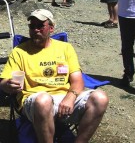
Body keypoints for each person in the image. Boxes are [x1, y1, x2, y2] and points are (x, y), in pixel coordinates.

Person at [0, 9, 109, 143]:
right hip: (35, 101)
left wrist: (70, 97)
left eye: (40, 26)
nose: (35, 30)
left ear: (51, 28)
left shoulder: (65, 48)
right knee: (43, 100)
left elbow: (78, 80)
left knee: (100, 98)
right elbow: (4, 83)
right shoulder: (20, 51)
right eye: (32, 26)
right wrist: (8, 85)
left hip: (65, 100)